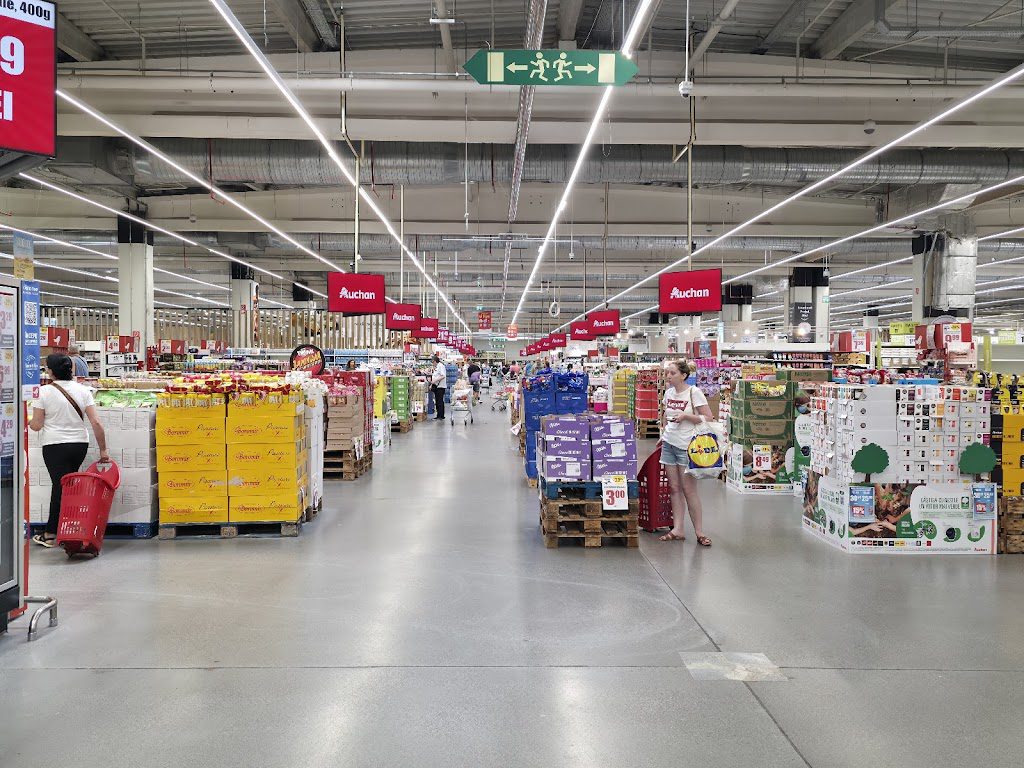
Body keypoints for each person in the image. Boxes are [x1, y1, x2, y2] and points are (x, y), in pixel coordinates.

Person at [29, 354, 110, 547]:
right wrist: (103, 450)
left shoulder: (43, 392)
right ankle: (70, 528)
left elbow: (37, 425)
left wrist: (29, 422)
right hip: (79, 445)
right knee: (69, 486)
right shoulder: (83, 390)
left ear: (50, 371)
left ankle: (51, 534)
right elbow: (96, 422)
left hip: (55, 445)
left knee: (60, 487)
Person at [657, 358, 714, 547]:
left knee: (689, 490)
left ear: (683, 375)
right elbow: (665, 415)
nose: (668, 376)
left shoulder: (694, 392)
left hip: (687, 446)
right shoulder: (668, 393)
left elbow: (708, 417)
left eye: (672, 373)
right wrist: (663, 434)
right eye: (667, 373)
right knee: (674, 488)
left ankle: (699, 532)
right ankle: (678, 529)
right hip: (669, 444)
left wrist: (686, 416)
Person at [430, 353, 447, 420]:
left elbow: (443, 376)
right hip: (437, 386)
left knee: (439, 401)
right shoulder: (437, 367)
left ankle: (440, 416)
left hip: (440, 387)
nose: (432, 364)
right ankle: (439, 415)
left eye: (432, 362)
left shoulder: (441, 366)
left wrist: (435, 380)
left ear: (435, 361)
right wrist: (432, 384)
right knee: (438, 401)